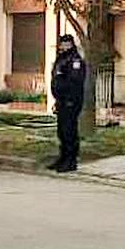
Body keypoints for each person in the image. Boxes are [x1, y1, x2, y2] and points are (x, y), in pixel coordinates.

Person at [49, 34, 86, 173]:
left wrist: (69, 99)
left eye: (66, 44)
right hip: (62, 101)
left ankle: (71, 161)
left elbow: (75, 82)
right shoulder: (62, 59)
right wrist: (58, 99)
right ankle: (63, 158)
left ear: (71, 44)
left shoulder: (75, 60)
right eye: (62, 44)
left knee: (69, 131)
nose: (63, 46)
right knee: (62, 132)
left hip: (71, 101)